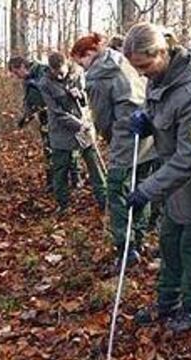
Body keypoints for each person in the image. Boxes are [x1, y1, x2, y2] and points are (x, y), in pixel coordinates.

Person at [123, 23, 191, 333]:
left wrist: (147, 190)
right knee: (169, 243)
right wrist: (146, 121)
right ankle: (166, 302)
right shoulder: (159, 77)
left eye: (145, 66)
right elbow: (159, 110)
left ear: (162, 52)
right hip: (175, 188)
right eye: (137, 69)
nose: (143, 74)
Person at [71, 33, 158, 265]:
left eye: (81, 62)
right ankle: (139, 240)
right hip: (148, 138)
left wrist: (111, 139)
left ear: (88, 54)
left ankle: (126, 248)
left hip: (126, 141)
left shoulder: (98, 77)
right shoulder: (123, 60)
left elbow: (102, 120)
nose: (82, 67)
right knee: (142, 189)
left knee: (117, 194)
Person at [38, 52, 107, 214]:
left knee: (95, 166)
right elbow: (56, 112)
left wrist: (80, 95)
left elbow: (88, 100)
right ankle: (63, 205)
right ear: (51, 70)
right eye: (56, 73)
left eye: (62, 71)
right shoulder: (45, 84)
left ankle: (104, 202)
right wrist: (78, 125)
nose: (60, 76)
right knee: (60, 170)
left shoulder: (78, 73)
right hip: (61, 132)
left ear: (66, 64)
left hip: (84, 129)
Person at [8, 56, 82, 192]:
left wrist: (34, 83)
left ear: (22, 66)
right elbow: (29, 100)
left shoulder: (43, 70)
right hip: (43, 117)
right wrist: (25, 117)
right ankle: (52, 182)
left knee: (67, 146)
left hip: (57, 115)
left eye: (16, 72)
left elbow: (56, 87)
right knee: (48, 150)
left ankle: (75, 179)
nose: (16, 76)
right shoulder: (27, 80)